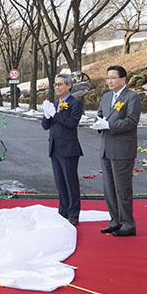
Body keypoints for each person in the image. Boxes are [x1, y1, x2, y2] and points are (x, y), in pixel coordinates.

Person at [90, 65, 141, 237]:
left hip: (122, 149)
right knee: (109, 188)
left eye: (113, 77)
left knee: (122, 188)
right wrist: (98, 123)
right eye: (108, 78)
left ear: (123, 79)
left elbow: (131, 121)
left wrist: (109, 125)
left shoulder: (131, 97)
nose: (110, 81)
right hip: (106, 147)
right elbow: (99, 115)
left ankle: (128, 223)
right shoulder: (106, 97)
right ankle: (115, 220)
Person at [41, 74, 84, 226]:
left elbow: (72, 123)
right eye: (55, 85)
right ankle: (63, 211)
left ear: (69, 85)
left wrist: (55, 114)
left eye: (60, 84)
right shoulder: (54, 104)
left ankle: (73, 213)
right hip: (55, 148)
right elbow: (46, 126)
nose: (57, 87)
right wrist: (47, 115)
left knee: (70, 182)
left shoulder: (75, 103)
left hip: (69, 148)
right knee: (60, 183)